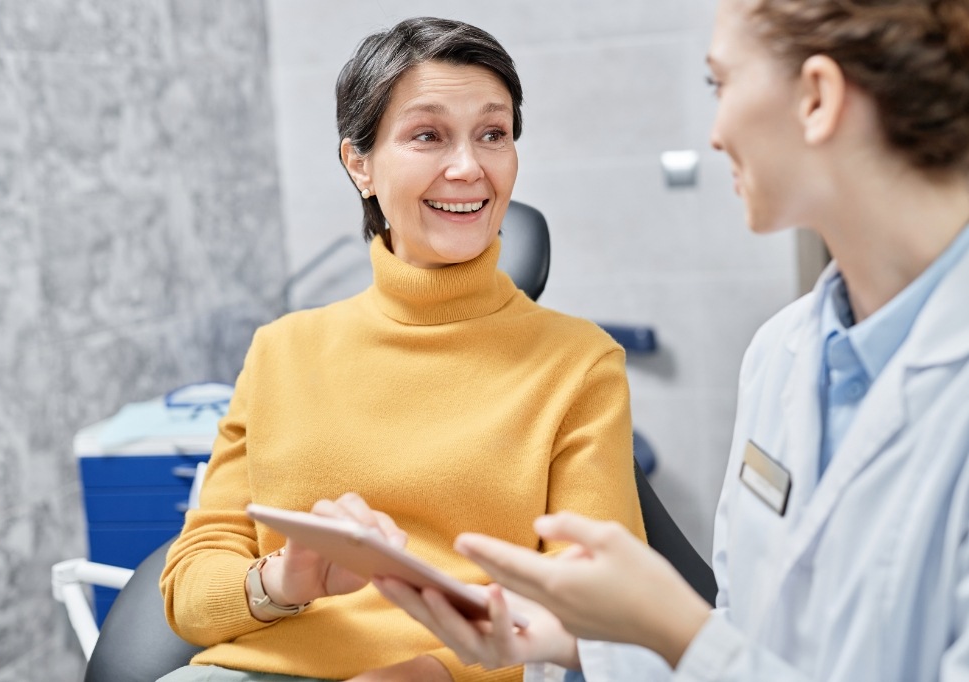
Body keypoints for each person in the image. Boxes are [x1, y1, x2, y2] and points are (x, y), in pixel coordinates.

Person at [373, 0, 969, 679]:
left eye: (721, 84)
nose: (714, 134)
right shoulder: (781, 355)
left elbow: (714, 650)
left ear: (817, 99)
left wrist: (674, 629)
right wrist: (576, 643)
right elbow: (746, 641)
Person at [157, 17, 647, 682]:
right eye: (428, 135)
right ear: (359, 163)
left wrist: (437, 671)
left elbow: (599, 613)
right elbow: (189, 586)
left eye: (493, 134)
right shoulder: (282, 351)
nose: (469, 167)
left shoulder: (578, 364)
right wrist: (281, 581)